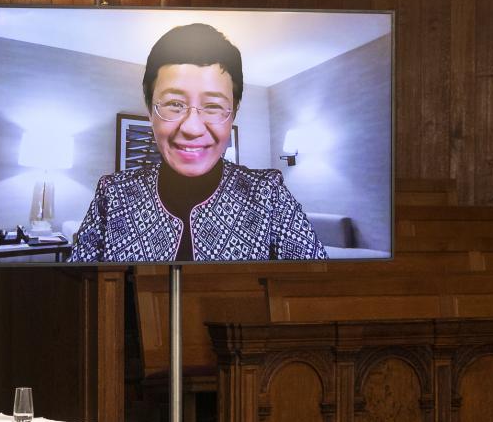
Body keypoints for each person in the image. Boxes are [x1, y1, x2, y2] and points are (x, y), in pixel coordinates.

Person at [70, 22, 327, 262]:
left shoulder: (268, 194)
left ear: (233, 114)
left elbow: (318, 294)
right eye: (174, 104)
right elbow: (80, 295)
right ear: (150, 111)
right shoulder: (114, 194)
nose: (192, 128)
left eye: (213, 106)